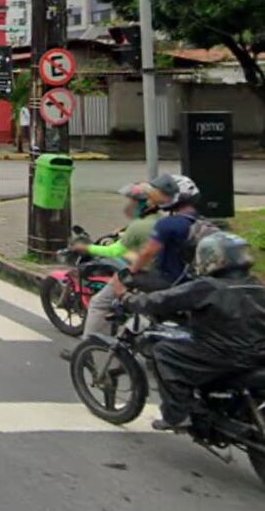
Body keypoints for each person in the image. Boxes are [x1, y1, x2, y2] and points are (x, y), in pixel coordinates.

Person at [119, 232, 265, 430]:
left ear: (212, 258)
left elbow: (160, 301)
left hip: (224, 354)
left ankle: (177, 414)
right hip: (258, 353)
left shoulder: (206, 287)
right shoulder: (256, 285)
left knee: (164, 351)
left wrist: (127, 299)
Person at [59, 183, 160, 360]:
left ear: (144, 205)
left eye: (133, 202)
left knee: (98, 303)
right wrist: (123, 233)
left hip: (143, 275)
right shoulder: (159, 219)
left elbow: (113, 251)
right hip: (164, 274)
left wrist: (87, 248)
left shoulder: (139, 227)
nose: (129, 206)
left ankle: (85, 350)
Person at [112, 173, 203, 299]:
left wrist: (131, 271)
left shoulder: (167, 224)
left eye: (165, 195)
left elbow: (147, 253)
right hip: (192, 280)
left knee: (119, 278)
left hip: (169, 281)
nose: (159, 198)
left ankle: (120, 312)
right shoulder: (201, 223)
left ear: (177, 197)